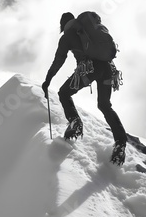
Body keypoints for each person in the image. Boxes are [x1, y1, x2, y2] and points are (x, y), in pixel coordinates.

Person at [41, 12, 127, 165]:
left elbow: (58, 60)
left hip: (90, 69)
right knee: (104, 105)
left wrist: (47, 80)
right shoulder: (88, 29)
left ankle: (75, 122)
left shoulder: (67, 36)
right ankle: (120, 144)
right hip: (107, 69)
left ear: (63, 24)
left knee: (64, 93)